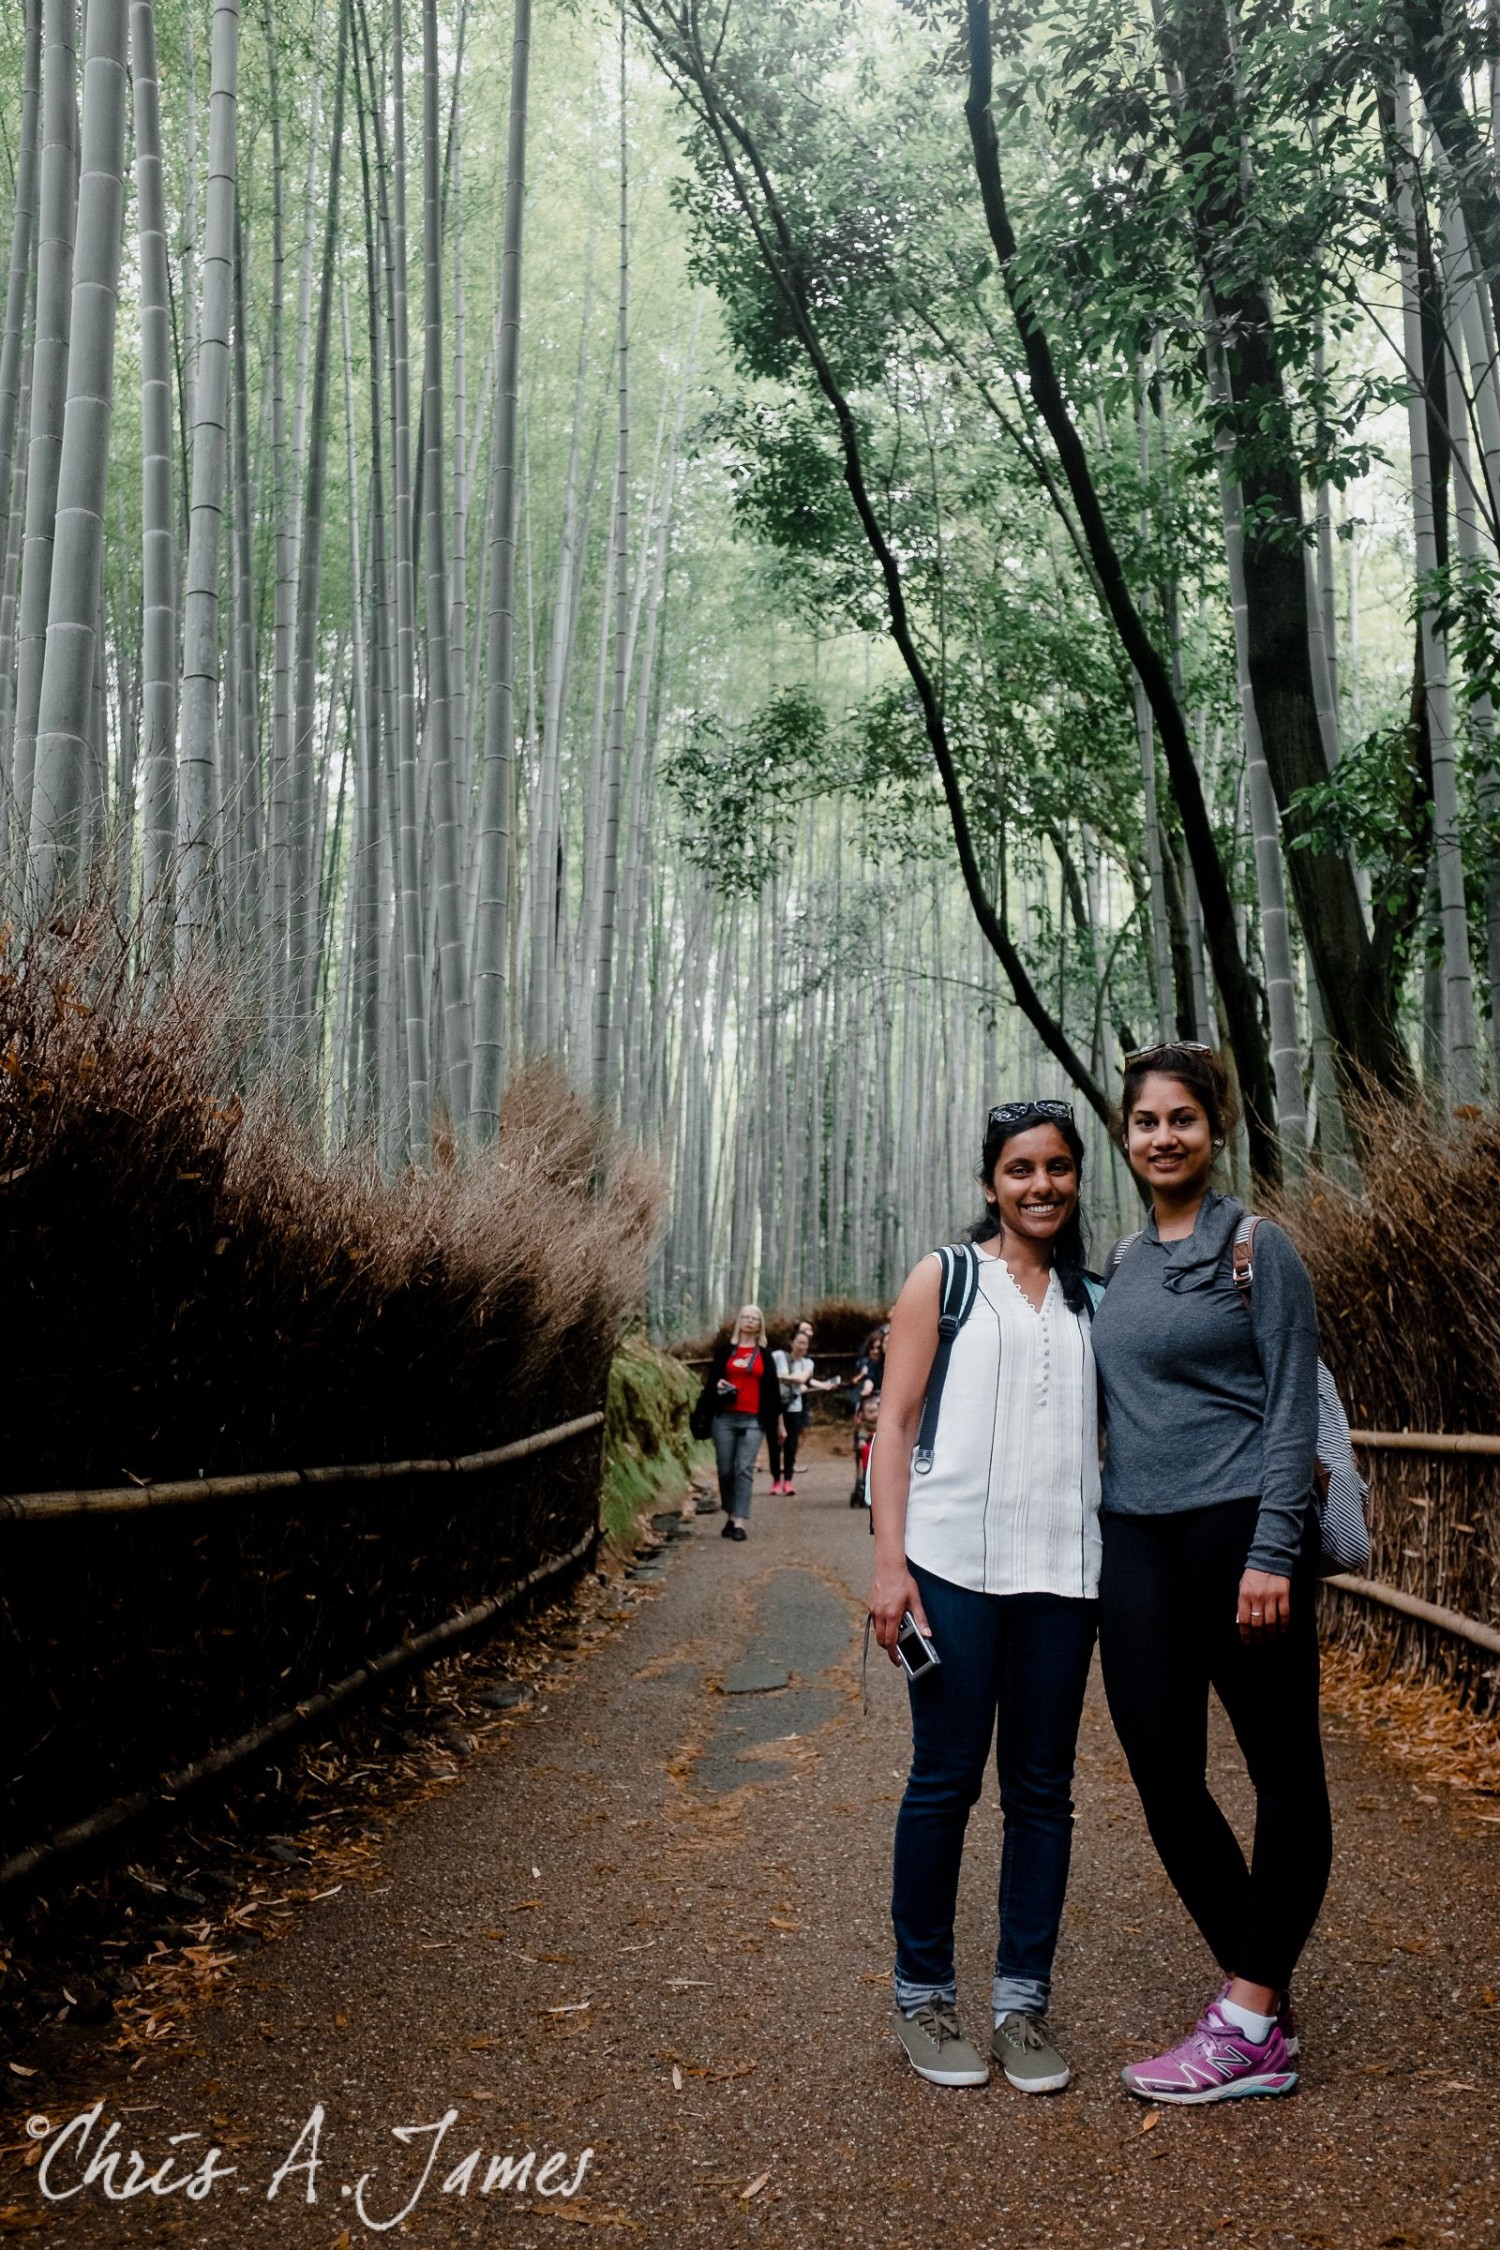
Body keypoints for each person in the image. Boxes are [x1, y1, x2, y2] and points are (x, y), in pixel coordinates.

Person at [1090, 1042, 1328, 2104]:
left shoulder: (1258, 1248)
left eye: (1182, 1118)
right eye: (1146, 1122)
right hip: (1136, 1539)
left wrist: (1274, 1549)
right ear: (1127, 1137)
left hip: (1240, 1531)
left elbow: (1287, 1408)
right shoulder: (1125, 1264)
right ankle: (1260, 1981)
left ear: (1215, 1128)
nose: (1163, 1137)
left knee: (1281, 1770)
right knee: (1164, 1775)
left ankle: (1245, 2023)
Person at [868, 1100, 1103, 2094]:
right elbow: (893, 1425)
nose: (1039, 1185)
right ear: (989, 1184)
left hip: (1065, 1578)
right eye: (1019, 1170)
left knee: (1042, 1796)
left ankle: (1022, 2006)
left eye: (1056, 1168)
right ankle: (924, 1993)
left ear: (1077, 1178)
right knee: (944, 1781)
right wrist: (891, 1565)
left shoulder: (1096, 1298)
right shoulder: (947, 1278)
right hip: (954, 1568)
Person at [692, 1305, 781, 1542]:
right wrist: (719, 1387)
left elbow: (773, 1391)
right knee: (725, 1469)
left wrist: (777, 1423)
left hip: (753, 1418)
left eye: (755, 1318)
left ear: (760, 1325)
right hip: (724, 1417)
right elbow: (710, 1384)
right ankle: (730, 1513)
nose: (750, 1321)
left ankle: (740, 1521)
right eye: (746, 1317)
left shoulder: (765, 1355)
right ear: (739, 1321)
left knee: (743, 1468)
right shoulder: (725, 1352)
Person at [769, 1319, 835, 1494]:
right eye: (799, 1342)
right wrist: (793, 1379)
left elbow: (802, 1378)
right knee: (774, 1444)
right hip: (775, 1406)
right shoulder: (777, 1356)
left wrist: (783, 1376)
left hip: (794, 1407)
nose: (801, 1346)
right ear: (792, 1342)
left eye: (805, 1344)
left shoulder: (808, 1363)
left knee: (791, 1445)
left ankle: (788, 1481)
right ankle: (776, 1480)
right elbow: (771, 1376)